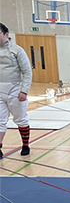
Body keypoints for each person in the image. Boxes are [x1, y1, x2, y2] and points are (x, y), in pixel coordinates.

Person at [0, 22, 32, 157]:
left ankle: (25, 145)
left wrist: (24, 91)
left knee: (20, 119)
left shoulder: (17, 50)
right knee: (0, 121)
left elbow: (27, 71)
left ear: (6, 34)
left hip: (15, 89)